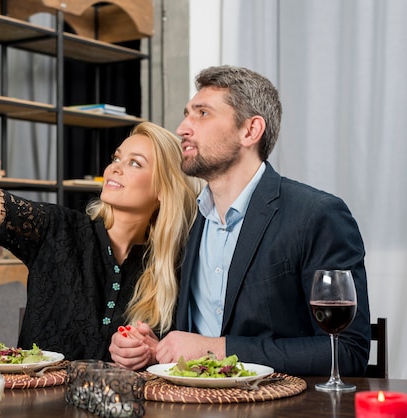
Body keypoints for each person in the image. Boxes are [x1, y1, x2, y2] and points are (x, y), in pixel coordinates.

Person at [0, 52, 201, 361]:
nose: (115, 167)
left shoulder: (174, 266)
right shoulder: (56, 229)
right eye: (116, 158)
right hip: (32, 404)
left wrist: (151, 352)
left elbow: (180, 360)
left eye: (134, 163)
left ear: (162, 192)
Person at [109, 65, 371, 376]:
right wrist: (153, 349)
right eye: (187, 114)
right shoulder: (189, 223)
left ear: (250, 131)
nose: (182, 128)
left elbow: (346, 352)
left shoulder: (317, 215)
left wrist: (217, 349)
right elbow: (189, 342)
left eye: (202, 114)